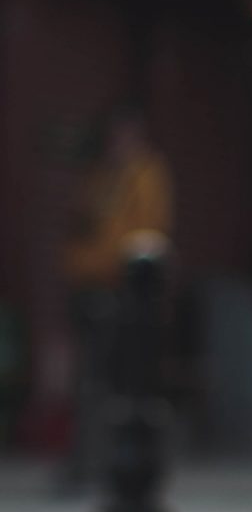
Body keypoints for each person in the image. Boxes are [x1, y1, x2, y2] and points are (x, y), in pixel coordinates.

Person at [64, 105, 174, 480]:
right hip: (89, 285)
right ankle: (86, 460)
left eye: (124, 135)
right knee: (89, 379)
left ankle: (115, 461)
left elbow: (148, 232)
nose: (118, 143)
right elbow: (82, 223)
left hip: (127, 289)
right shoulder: (99, 177)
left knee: (122, 383)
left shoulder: (144, 176)